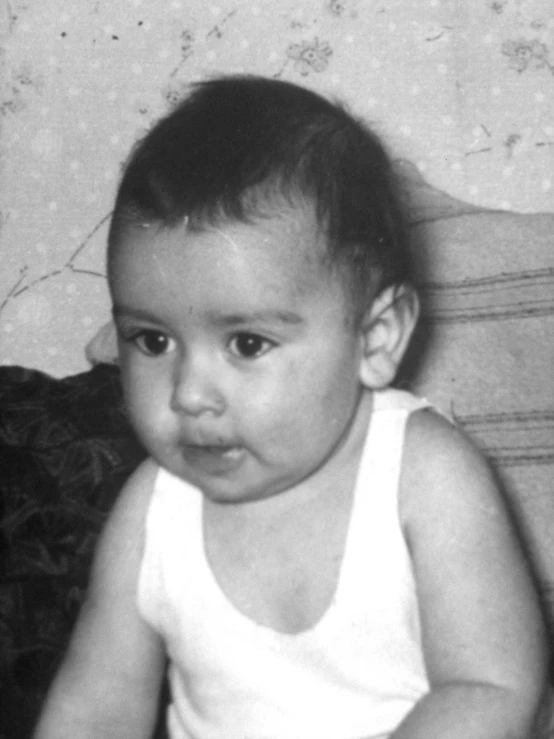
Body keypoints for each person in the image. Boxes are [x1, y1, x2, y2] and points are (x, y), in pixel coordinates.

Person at [34, 75, 549, 739]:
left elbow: (494, 688)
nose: (189, 392)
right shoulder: (151, 512)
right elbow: (97, 706)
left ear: (375, 338)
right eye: (153, 339)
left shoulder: (423, 477)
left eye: (247, 343)